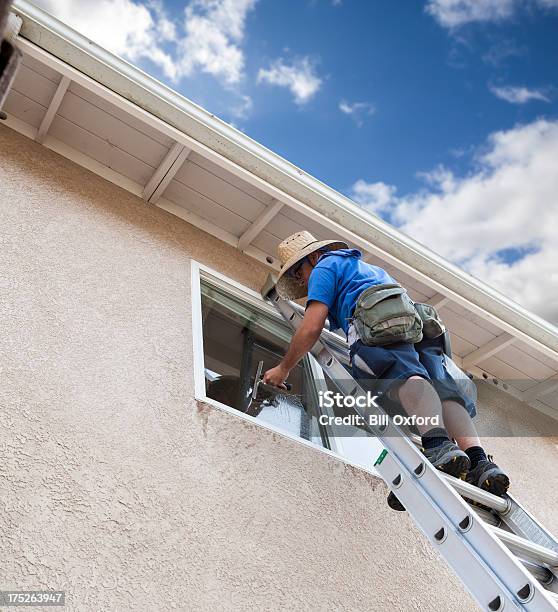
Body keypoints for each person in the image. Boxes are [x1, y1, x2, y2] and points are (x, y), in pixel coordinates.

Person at [263, 231, 509, 509]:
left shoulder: (323, 267)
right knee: (444, 393)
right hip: (418, 323)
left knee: (402, 378)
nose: (301, 281)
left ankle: (438, 447)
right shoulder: (368, 269)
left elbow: (310, 327)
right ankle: (479, 462)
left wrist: (283, 368)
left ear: (312, 257)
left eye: (298, 273)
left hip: (377, 323)